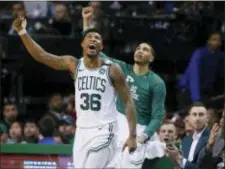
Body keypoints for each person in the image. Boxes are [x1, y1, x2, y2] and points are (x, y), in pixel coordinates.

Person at [12, 15, 137, 168]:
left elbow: (128, 102)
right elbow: (42, 56)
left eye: (97, 38)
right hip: (82, 131)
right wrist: (22, 31)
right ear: (82, 44)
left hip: (105, 130)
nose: (93, 39)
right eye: (89, 37)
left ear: (101, 46)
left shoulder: (112, 70)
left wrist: (132, 135)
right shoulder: (74, 65)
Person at [82, 7, 166, 168]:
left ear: (152, 58)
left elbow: (157, 117)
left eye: (145, 49)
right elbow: (96, 55)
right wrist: (86, 23)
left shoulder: (156, 83)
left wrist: (142, 137)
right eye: (138, 48)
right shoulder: (122, 69)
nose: (140, 51)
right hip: (117, 123)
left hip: (140, 129)